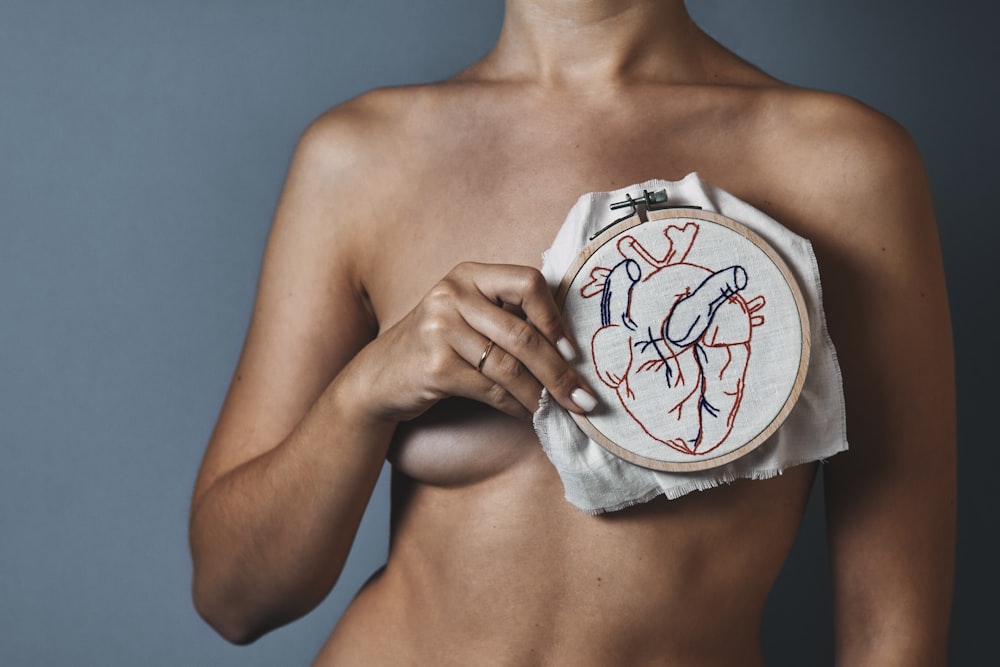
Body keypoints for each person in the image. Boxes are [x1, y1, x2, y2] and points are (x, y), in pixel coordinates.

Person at [188, 1, 956, 664]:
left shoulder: (842, 168)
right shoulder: (358, 160)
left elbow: (893, 637)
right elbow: (233, 597)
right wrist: (364, 395)